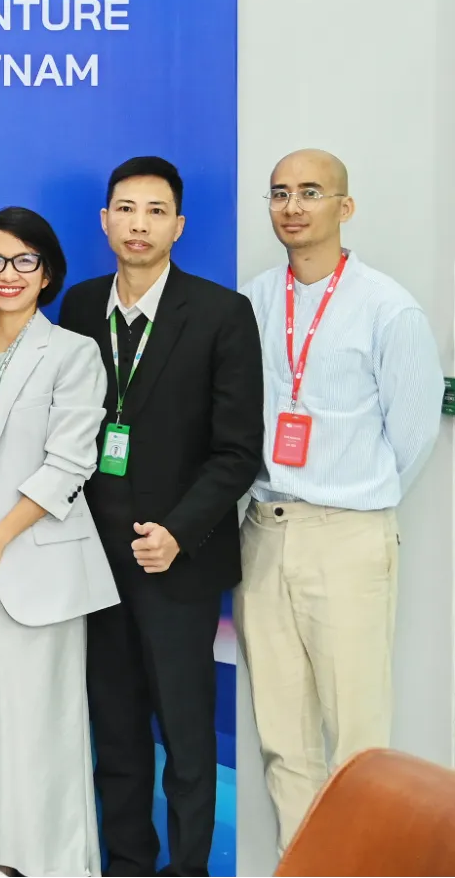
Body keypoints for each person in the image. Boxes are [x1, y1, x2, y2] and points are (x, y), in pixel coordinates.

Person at [58, 157, 263, 878]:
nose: (138, 224)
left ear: (177, 225)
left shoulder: (219, 313)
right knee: (115, 732)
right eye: (125, 208)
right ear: (104, 220)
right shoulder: (81, 305)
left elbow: (237, 451)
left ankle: (188, 870)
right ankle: (128, 864)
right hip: (94, 560)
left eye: (154, 211)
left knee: (184, 735)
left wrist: (177, 532)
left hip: (175, 562)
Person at [236, 149, 443, 853]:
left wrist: (352, 501)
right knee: (283, 743)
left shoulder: (388, 307)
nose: (292, 206)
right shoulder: (253, 301)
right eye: (279, 193)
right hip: (264, 530)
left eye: (310, 192)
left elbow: (412, 435)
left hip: (348, 535)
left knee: (358, 747)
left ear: (344, 207)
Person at [0, 207, 118, 877]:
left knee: (40, 738)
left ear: (46, 273)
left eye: (24, 260)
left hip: (37, 574)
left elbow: (69, 463)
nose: (7, 274)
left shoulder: (73, 353)